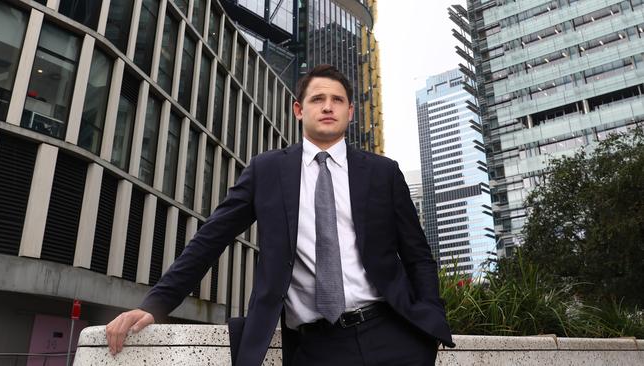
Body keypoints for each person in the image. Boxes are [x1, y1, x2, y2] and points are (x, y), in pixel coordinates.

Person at [105, 64, 454, 365]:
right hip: (316, 346)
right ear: (299, 110)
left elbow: (417, 254)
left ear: (351, 112)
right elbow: (211, 239)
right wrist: (157, 304)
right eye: (318, 99)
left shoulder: (383, 172)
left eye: (337, 100)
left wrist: (432, 318)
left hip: (392, 334)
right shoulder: (266, 171)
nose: (328, 107)